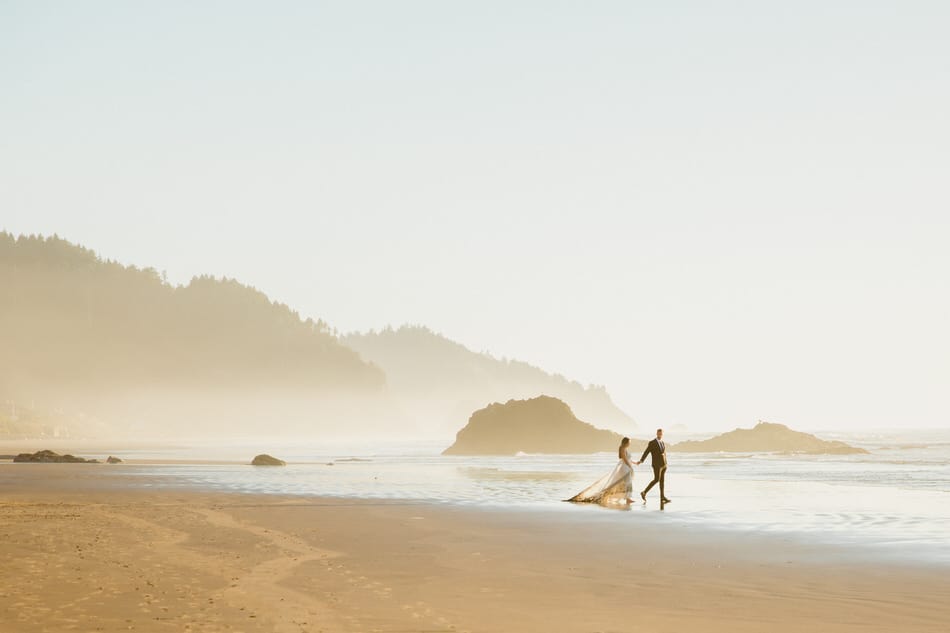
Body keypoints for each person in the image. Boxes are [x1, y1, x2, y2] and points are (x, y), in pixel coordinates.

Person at [566, 437, 636, 505]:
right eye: (629, 442)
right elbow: (623, 458)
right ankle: (627, 499)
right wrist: (630, 466)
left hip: (625, 467)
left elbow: (627, 458)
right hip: (625, 468)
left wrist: (634, 462)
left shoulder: (624, 448)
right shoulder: (622, 448)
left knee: (623, 483)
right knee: (627, 483)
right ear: (626, 442)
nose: (629, 443)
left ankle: (625, 498)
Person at [637, 429, 671, 504]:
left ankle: (662, 497)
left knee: (662, 481)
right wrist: (641, 460)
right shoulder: (652, 443)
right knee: (656, 479)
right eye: (659, 434)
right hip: (656, 465)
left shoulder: (662, 442)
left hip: (663, 465)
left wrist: (666, 463)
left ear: (662, 434)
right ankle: (644, 492)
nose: (660, 435)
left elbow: (664, 453)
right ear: (656, 434)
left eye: (661, 434)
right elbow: (647, 451)